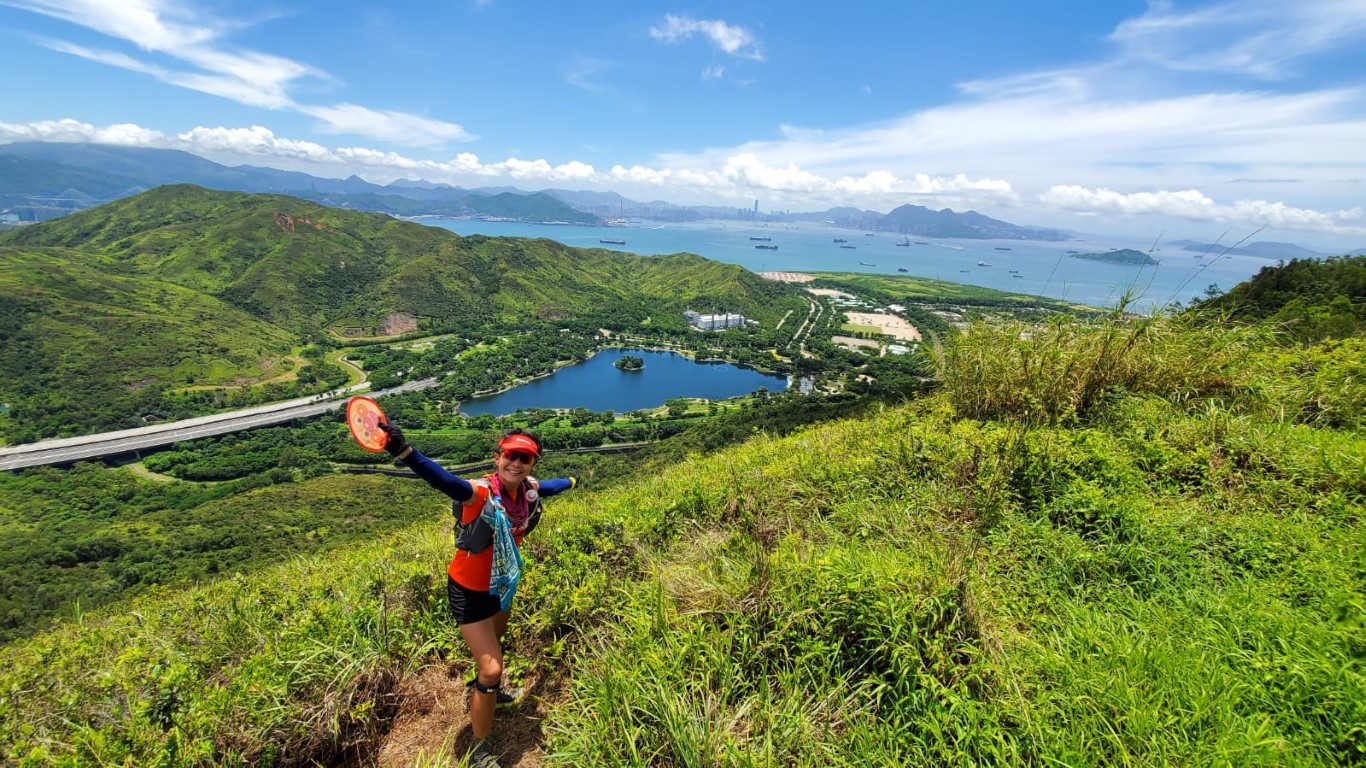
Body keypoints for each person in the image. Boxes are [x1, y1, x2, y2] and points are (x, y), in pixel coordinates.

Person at [379, 420, 577, 767]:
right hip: (469, 589)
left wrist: (573, 481)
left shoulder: (527, 491)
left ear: (533, 464)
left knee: (496, 646)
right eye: (510, 456)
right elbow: (444, 481)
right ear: (497, 457)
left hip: (500, 584)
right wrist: (403, 451)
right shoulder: (481, 493)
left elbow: (550, 487)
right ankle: (479, 750)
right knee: (490, 668)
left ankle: (493, 694)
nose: (516, 463)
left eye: (525, 458)